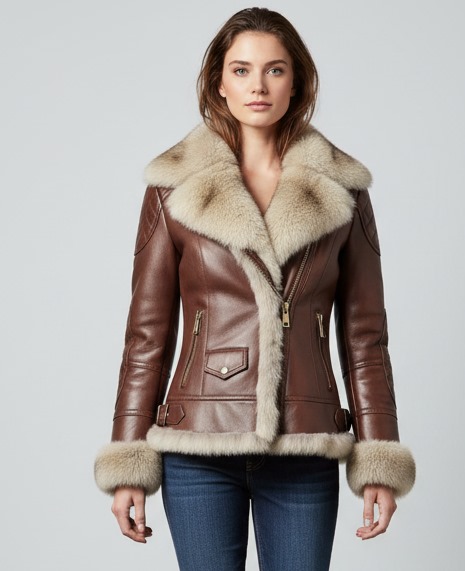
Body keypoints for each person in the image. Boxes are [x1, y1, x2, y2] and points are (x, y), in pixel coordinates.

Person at [94, 7, 416, 570]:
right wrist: (129, 460)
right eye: (241, 70)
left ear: (297, 82)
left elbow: (366, 338)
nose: (258, 86)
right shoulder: (173, 187)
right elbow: (146, 337)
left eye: (275, 70)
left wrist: (378, 455)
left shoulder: (343, 190)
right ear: (219, 82)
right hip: (197, 444)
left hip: (305, 443)